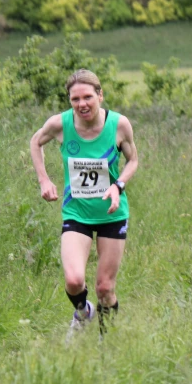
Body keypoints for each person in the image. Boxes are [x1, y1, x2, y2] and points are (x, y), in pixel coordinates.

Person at [29, 69, 139, 340]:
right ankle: (83, 312)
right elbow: (36, 141)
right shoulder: (60, 124)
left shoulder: (119, 125)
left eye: (88, 96)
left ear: (100, 95)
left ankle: (105, 341)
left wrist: (118, 185)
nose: (82, 104)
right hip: (76, 212)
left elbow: (133, 160)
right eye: (75, 99)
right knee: (74, 280)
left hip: (112, 214)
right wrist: (43, 179)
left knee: (105, 288)